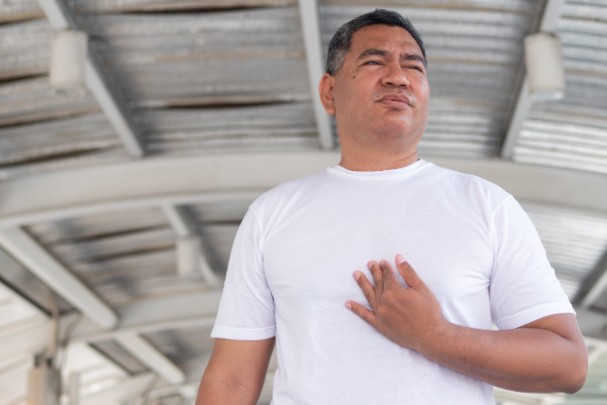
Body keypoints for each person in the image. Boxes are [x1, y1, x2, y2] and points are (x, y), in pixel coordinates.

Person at [196, 9, 588, 405]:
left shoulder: (486, 205)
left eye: (413, 66)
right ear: (329, 93)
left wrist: (434, 337)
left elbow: (568, 365)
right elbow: (230, 381)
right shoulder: (272, 214)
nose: (397, 76)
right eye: (374, 61)